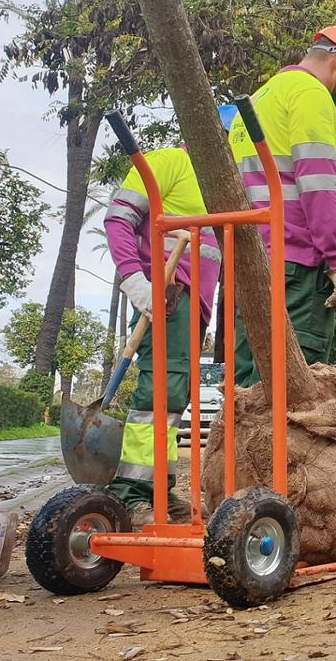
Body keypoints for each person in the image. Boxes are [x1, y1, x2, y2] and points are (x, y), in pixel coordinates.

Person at [229, 25, 336, 386]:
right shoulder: (311, 94)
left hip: (251, 261)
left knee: (250, 391)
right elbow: (320, 186)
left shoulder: (260, 98)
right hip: (295, 265)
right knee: (292, 388)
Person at [105, 147, 221, 525]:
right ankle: (131, 492)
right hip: (168, 290)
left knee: (174, 396)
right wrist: (135, 280)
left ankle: (157, 487)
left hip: (194, 302)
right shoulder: (171, 161)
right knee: (161, 391)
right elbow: (118, 218)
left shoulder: (216, 181)